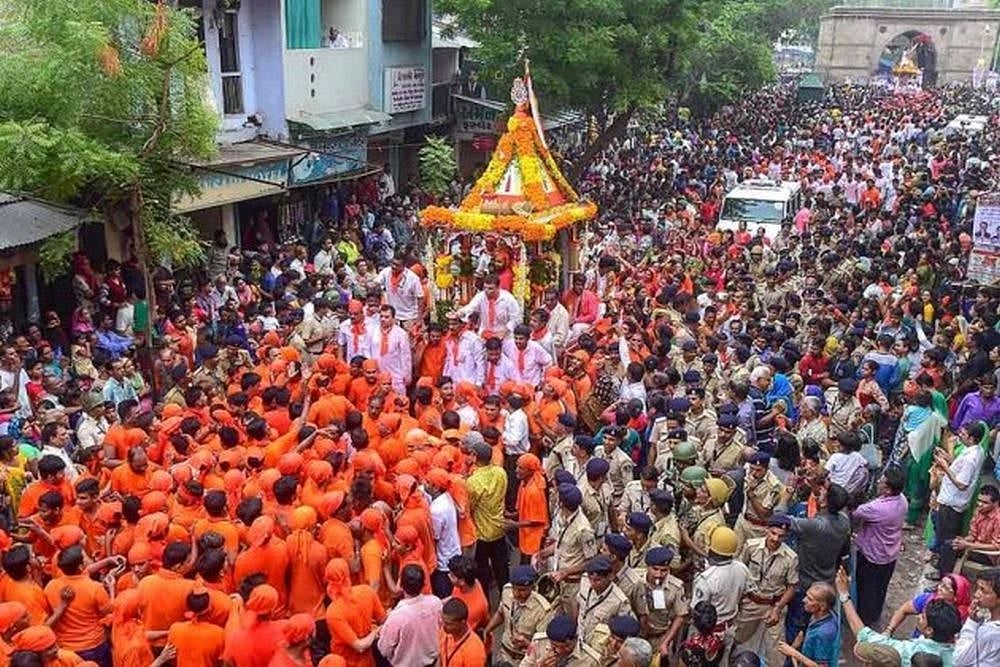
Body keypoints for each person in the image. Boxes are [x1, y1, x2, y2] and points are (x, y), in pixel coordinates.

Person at [839, 567, 961, 665]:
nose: (918, 617)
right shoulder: (952, 657)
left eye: (923, 617)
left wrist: (844, 595)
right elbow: (904, 609)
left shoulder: (909, 651)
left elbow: (864, 635)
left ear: (929, 630)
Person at [734, 514, 798, 658]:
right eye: (773, 533)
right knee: (738, 638)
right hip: (751, 602)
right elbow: (740, 571)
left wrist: (778, 608)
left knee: (776, 651)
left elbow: (792, 586)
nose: (776, 539)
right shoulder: (751, 547)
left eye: (781, 536)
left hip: (774, 605)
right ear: (766, 530)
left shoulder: (790, 557)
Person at [852, 466, 908, 627]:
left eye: (882, 482)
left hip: (873, 554)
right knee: (880, 587)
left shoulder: (876, 508)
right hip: (890, 553)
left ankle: (863, 620)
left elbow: (856, 513)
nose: (877, 482)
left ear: (889, 490)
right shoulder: (902, 500)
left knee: (866, 588)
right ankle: (874, 614)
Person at [484, 564, 552, 665]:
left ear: (533, 587)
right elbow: (501, 613)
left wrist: (526, 643)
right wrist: (488, 629)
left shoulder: (542, 610)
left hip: (524, 659)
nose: (517, 593)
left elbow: (541, 644)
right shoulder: (507, 591)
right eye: (514, 588)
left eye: (522, 590)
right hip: (505, 652)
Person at [376, 565, 442, 666]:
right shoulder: (435, 603)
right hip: (431, 662)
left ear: (401, 586)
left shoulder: (397, 616)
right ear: (424, 584)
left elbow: (384, 649)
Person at [775, 582, 838, 667]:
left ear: (822, 607)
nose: (804, 600)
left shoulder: (824, 633)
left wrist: (793, 653)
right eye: (806, 596)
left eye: (810, 599)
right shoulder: (819, 614)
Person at [955, 571, 1000, 665]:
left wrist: (971, 623)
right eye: (978, 588)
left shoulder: (991, 632)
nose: (976, 594)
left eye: (983, 591)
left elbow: (959, 659)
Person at [438, 598, 487, 667]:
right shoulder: (445, 631)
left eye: (449, 624)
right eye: (443, 621)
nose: (444, 626)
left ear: (462, 623)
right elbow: (441, 656)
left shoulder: (474, 651)